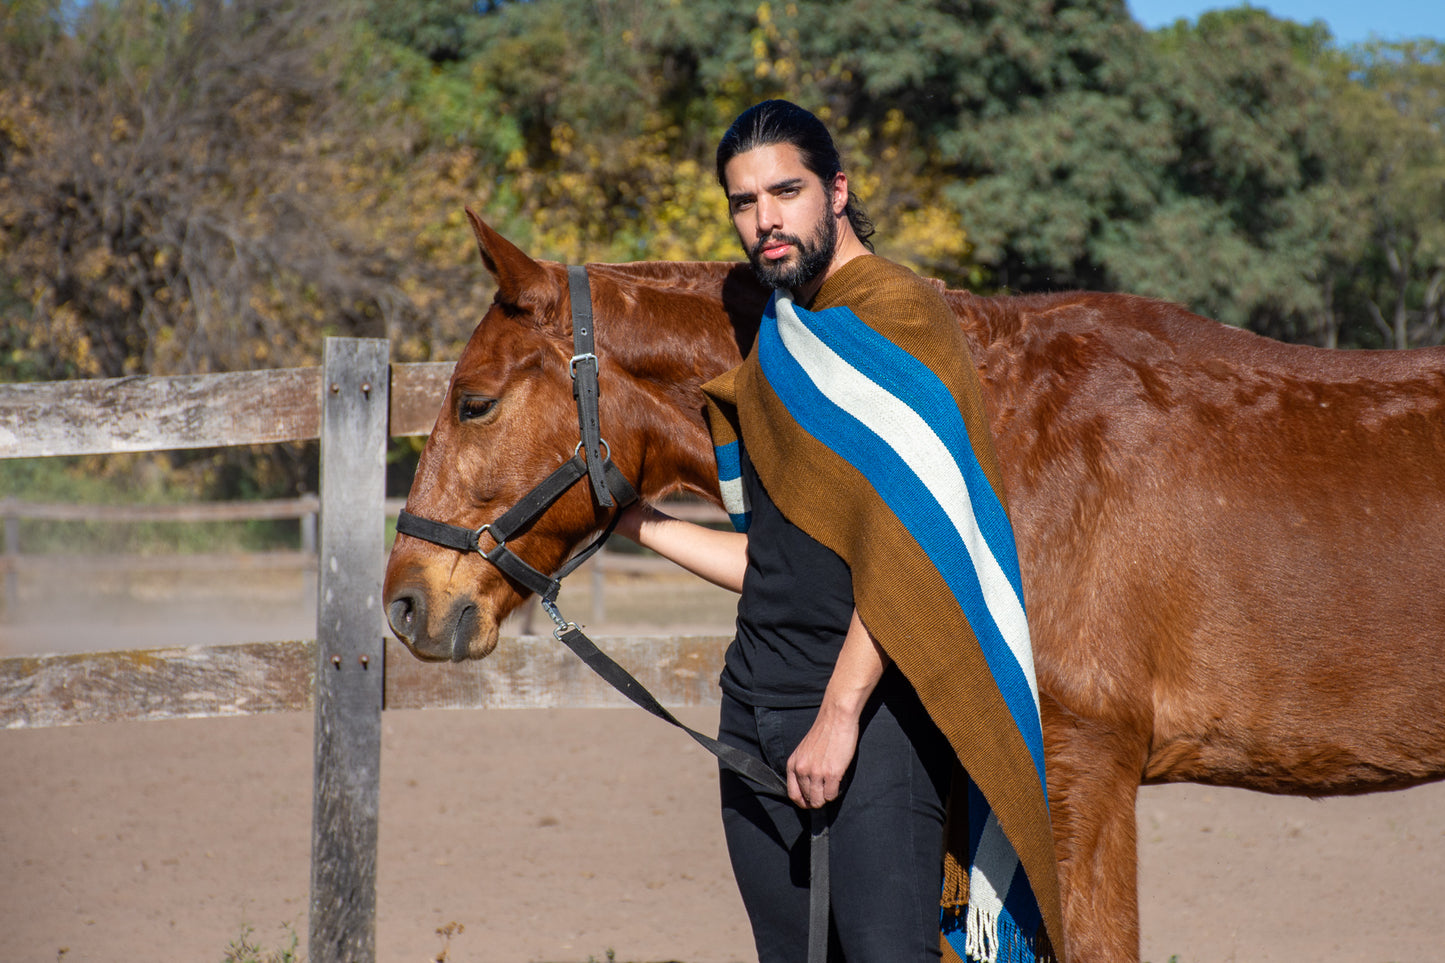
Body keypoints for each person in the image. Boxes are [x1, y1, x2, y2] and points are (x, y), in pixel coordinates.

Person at [617, 100, 1062, 963]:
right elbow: (774, 563)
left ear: (838, 190)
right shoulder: (783, 340)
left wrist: (839, 714)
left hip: (872, 724)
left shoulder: (900, 317)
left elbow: (913, 552)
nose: (765, 221)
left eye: (786, 191)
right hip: (753, 709)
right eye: (743, 202)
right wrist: (638, 522)